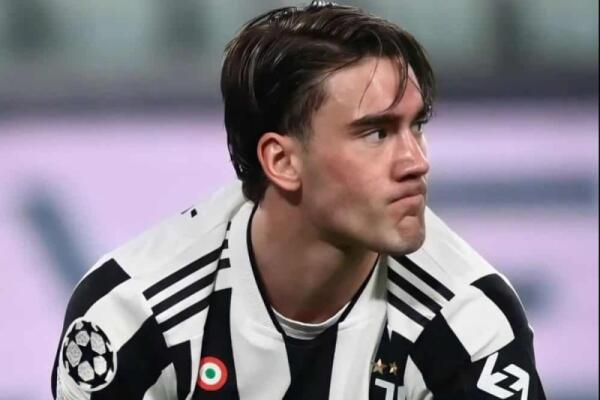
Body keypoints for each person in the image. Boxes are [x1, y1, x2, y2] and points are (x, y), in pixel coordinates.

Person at [51, 2, 546, 399]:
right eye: (376, 133)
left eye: (416, 126)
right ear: (282, 161)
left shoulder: (467, 322)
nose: (416, 161)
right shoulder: (131, 323)